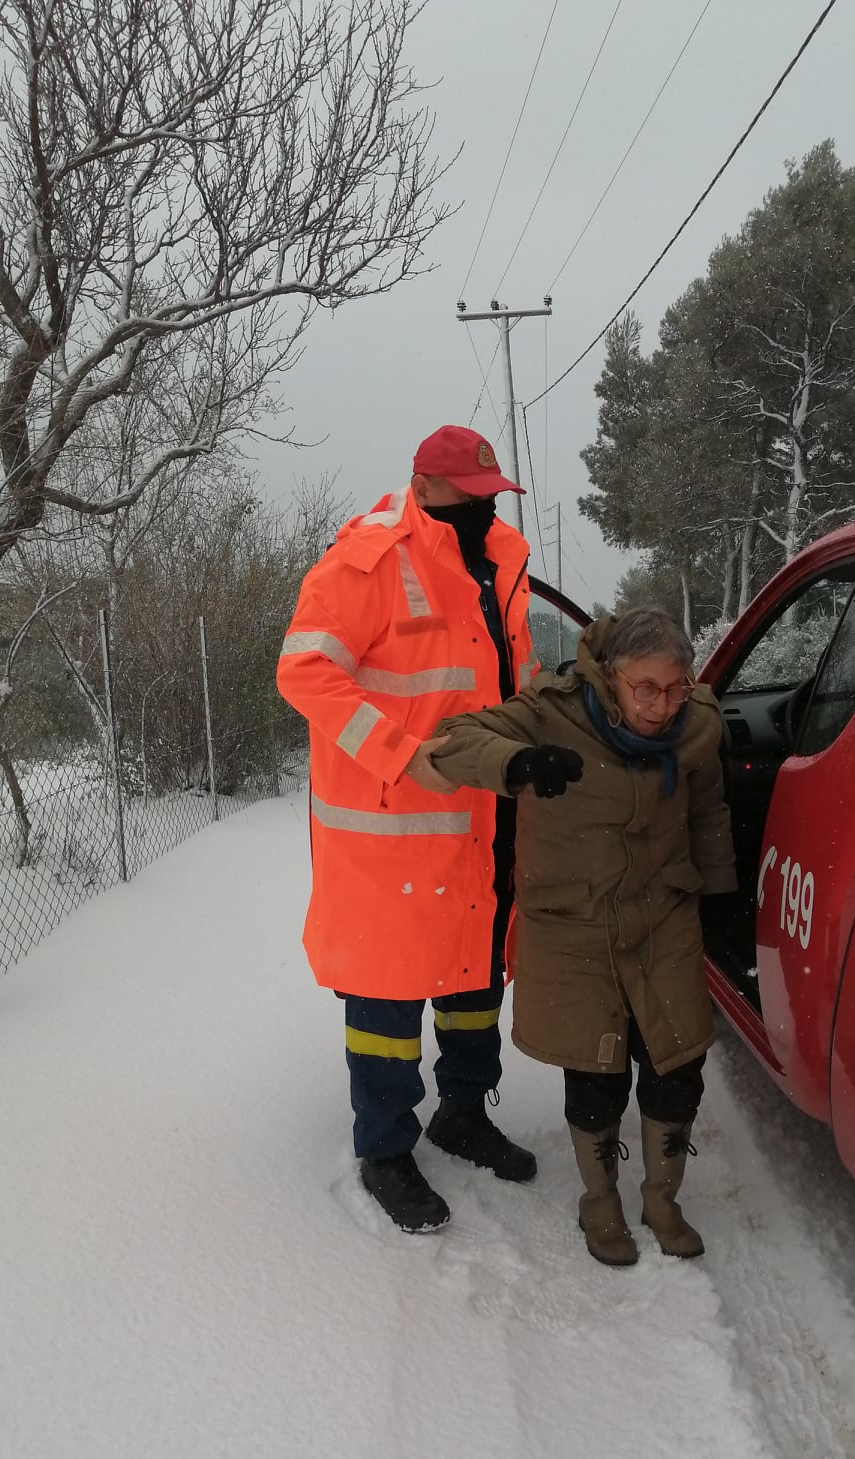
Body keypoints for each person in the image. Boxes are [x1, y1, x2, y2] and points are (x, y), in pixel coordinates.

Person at [412, 607, 737, 1265]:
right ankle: (601, 1201)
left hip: (662, 915)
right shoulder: (552, 709)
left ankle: (662, 1198)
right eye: (645, 688)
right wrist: (521, 763)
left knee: (678, 1065)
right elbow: (452, 742)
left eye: (675, 687)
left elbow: (706, 810)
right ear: (609, 675)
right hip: (574, 921)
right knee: (596, 1072)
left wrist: (721, 895)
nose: (662, 705)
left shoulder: (696, 725)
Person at [277, 424, 541, 1235]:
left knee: (474, 974)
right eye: (468, 494)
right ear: (424, 485)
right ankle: (384, 1146)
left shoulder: (499, 558)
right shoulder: (368, 560)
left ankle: (462, 1110)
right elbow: (304, 671)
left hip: (480, 818)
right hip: (392, 826)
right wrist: (402, 755)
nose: (482, 509)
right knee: (388, 991)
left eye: (491, 496)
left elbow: (509, 677)